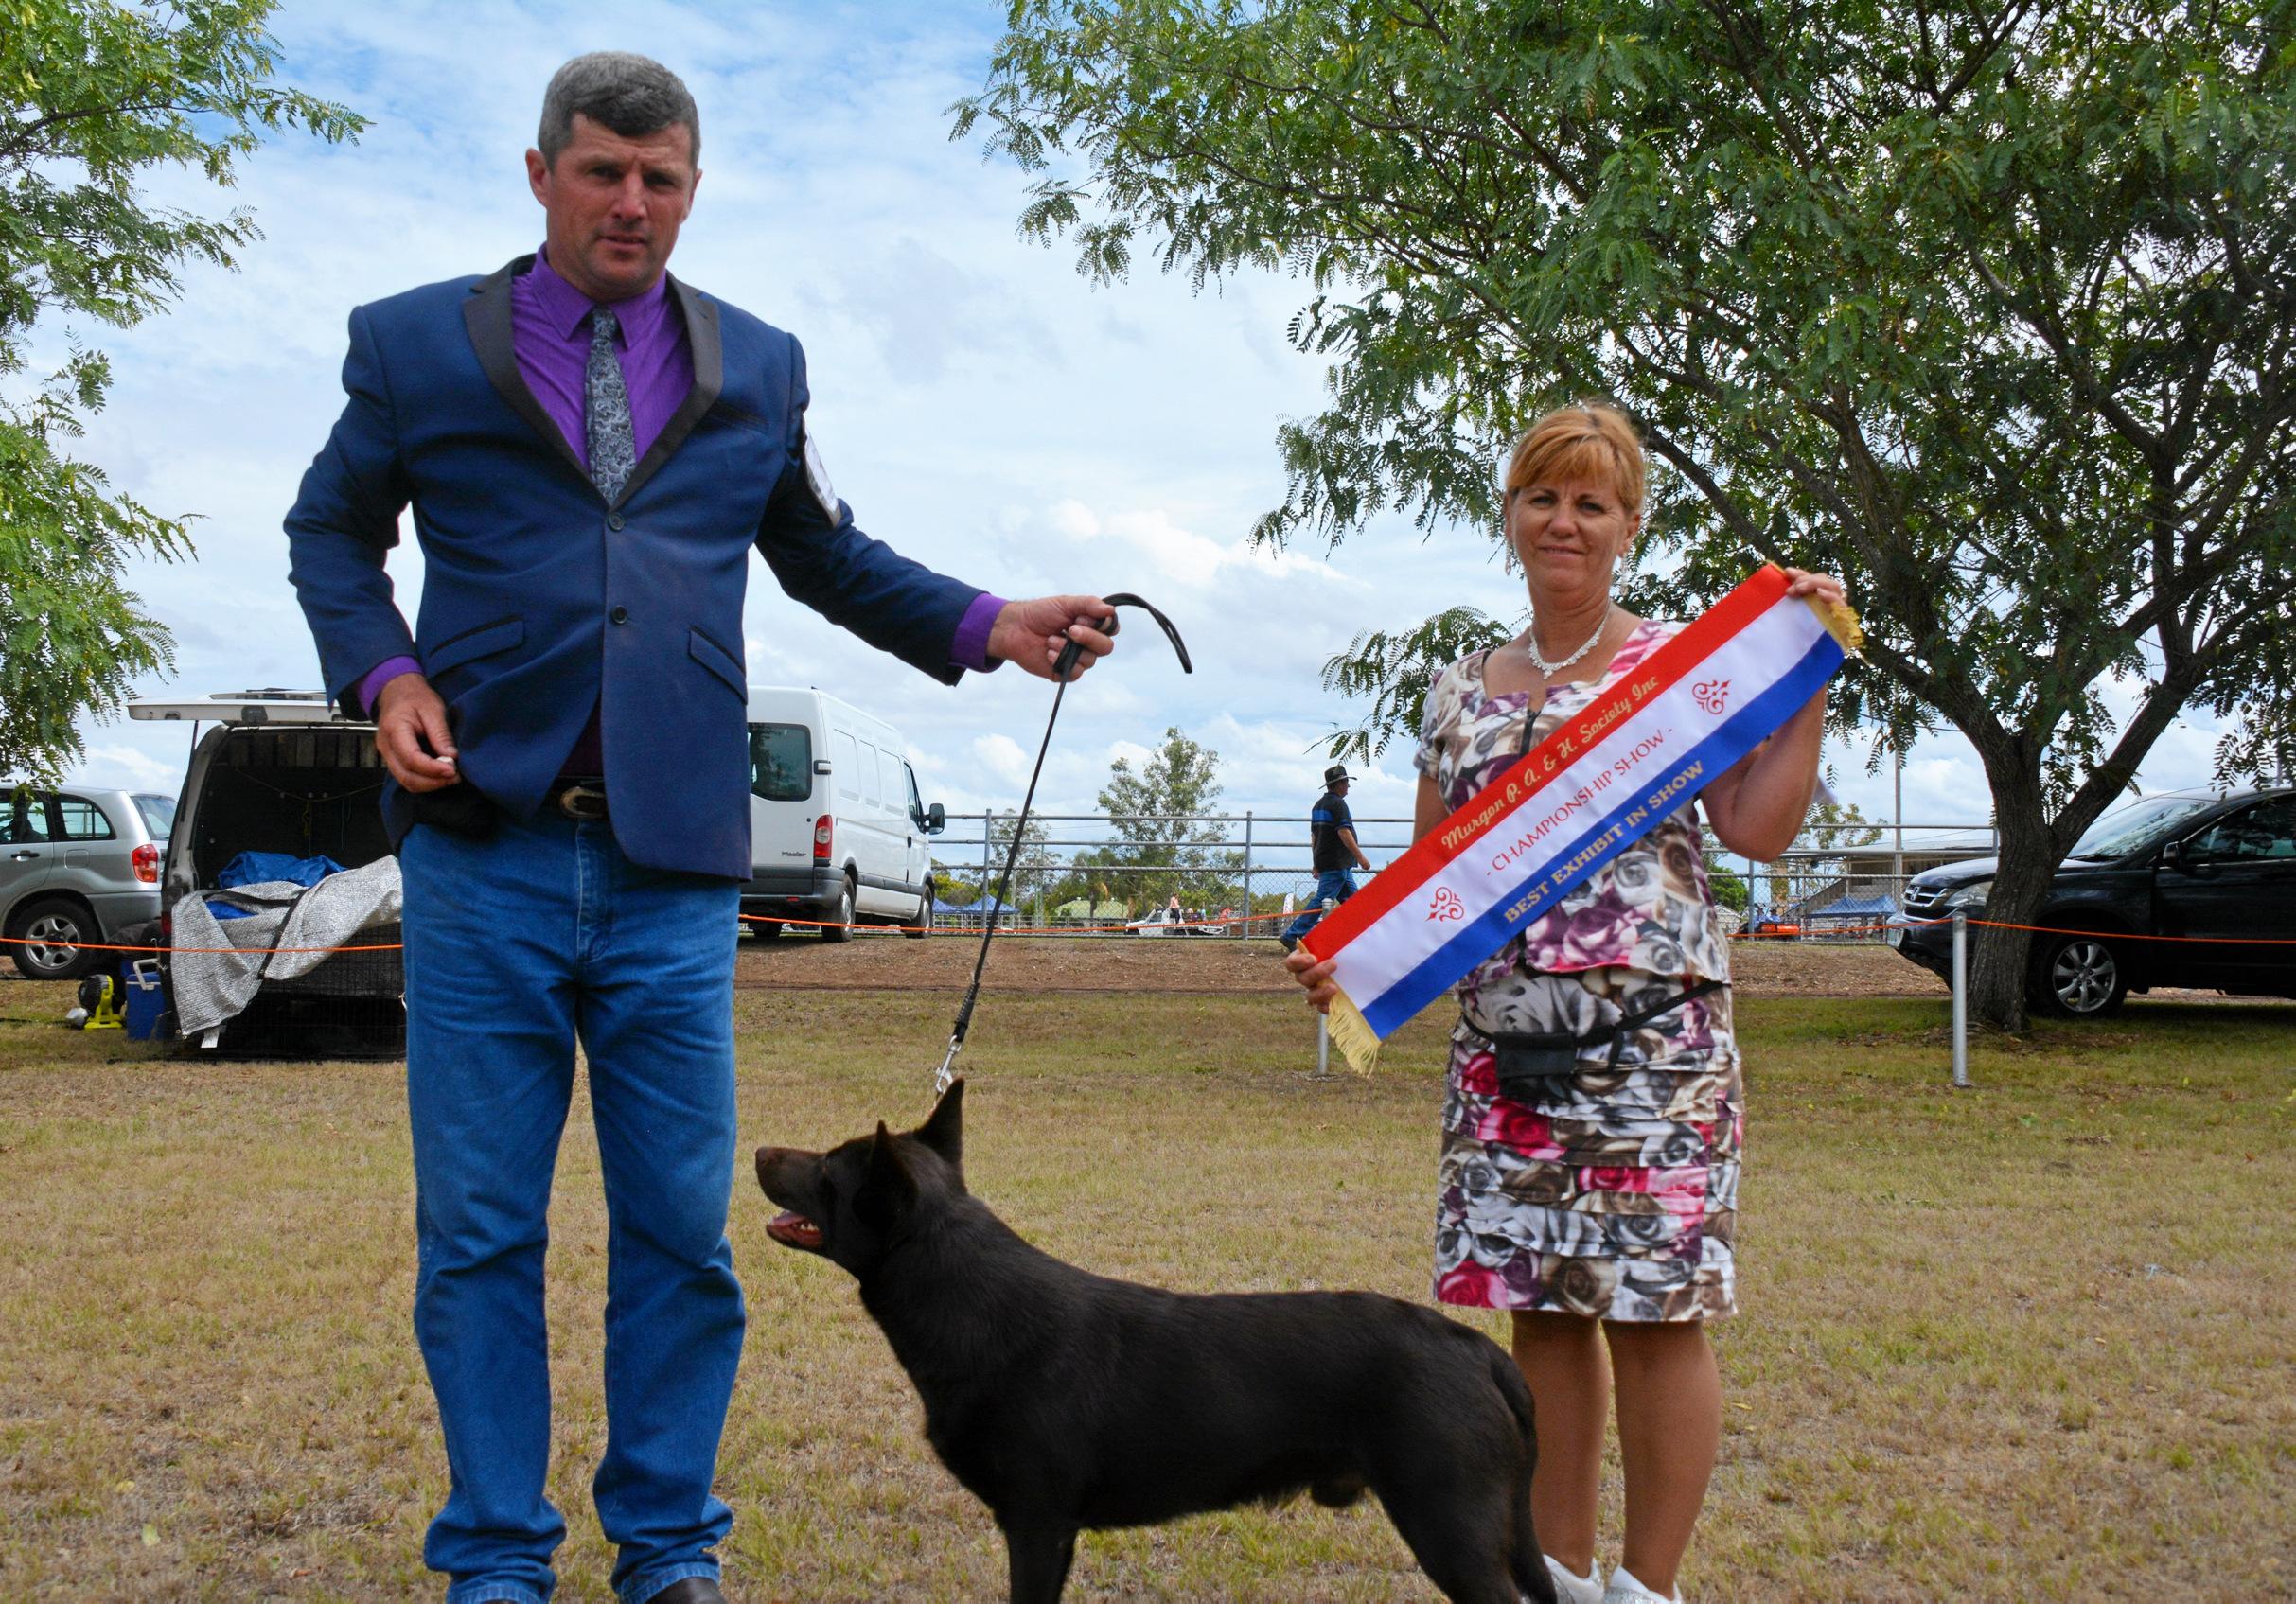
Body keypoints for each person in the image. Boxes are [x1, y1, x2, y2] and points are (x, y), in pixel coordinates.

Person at [285, 53, 1116, 1604]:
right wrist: (382, 667)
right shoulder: (414, 347)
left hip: (671, 872)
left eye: (660, 178)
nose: (630, 203)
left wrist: (991, 618)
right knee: (477, 1236)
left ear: (693, 186)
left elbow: (823, 554)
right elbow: (327, 528)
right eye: (601, 172)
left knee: (685, 1236)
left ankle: (667, 1552)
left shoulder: (756, 367)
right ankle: (493, 1561)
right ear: (540, 174)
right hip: (481, 854)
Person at [1284, 404, 1843, 1604]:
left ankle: (1644, 1594)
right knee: (1540, 1319)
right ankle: (1553, 1582)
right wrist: (1352, 960)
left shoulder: (1686, 673)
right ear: (1512, 513)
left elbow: (1756, 829)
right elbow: (1429, 885)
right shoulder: (1453, 693)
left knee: (1655, 1313)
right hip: (1505, 1057)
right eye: (1545, 497)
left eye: (1593, 503)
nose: (1566, 523)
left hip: (1657, 1048)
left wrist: (1805, 688)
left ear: (1629, 525)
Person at [1281, 764, 1372, 951]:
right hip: (1337, 862)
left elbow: (1315, 836)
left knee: (1354, 902)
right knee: (1322, 899)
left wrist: (1316, 862)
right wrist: (1361, 858)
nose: (1348, 786)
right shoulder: (1338, 805)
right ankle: (1292, 935)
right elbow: (1344, 832)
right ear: (1339, 784)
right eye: (1346, 782)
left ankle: (1363, 936)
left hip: (1333, 862)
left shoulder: (1318, 806)